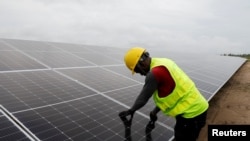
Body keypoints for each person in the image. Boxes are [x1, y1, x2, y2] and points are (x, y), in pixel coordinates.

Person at [119, 47, 209, 141]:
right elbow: (170, 93)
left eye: (137, 71)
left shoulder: (154, 74)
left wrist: (131, 111)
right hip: (199, 107)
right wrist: (154, 112)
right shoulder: (164, 62)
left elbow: (143, 99)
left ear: (141, 63)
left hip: (191, 114)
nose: (140, 74)